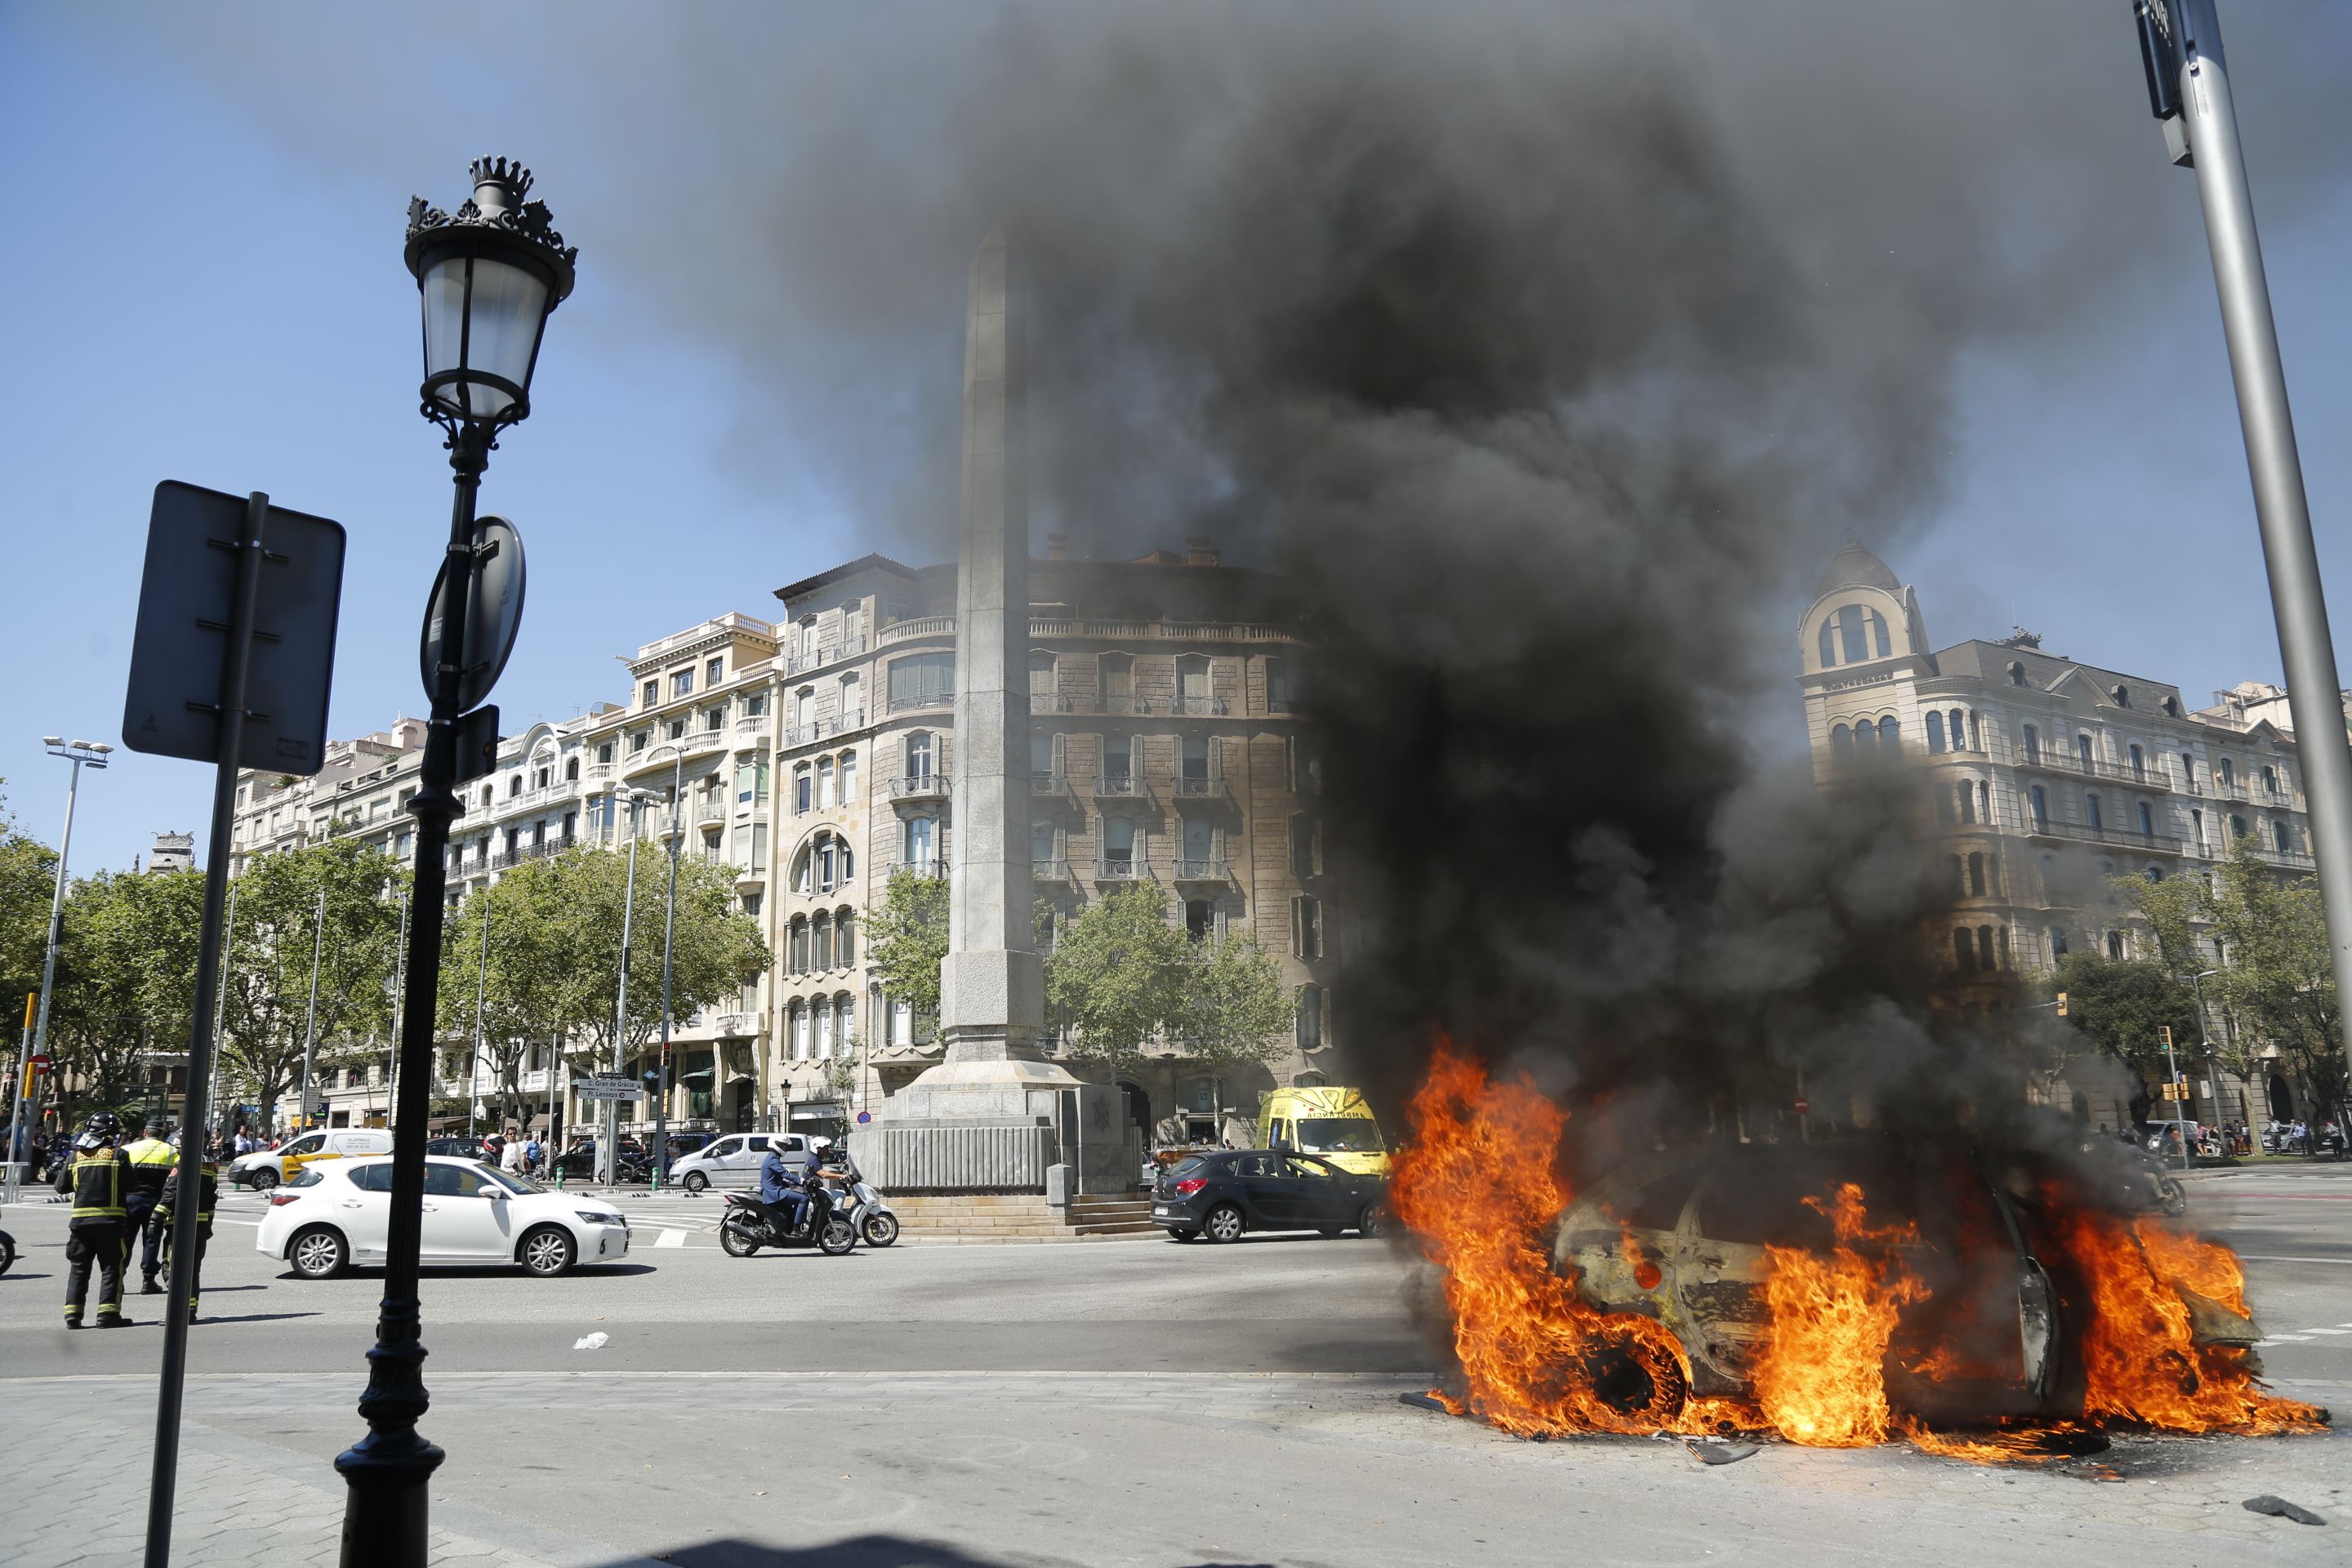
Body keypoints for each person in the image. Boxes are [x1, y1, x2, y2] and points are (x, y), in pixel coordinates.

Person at [55, 1114, 133, 1329]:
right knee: (111, 1268)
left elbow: (61, 1187)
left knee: (79, 1269)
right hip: (111, 1223)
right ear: (109, 1134)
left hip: (80, 1224)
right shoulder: (119, 1156)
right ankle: (107, 1315)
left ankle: (73, 1315)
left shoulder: (74, 1157)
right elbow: (131, 1183)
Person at [154, 1138, 221, 1321]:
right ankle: (190, 1310)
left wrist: (156, 1218)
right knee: (193, 1270)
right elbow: (211, 1204)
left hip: (179, 1228)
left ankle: (178, 1311)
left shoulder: (181, 1167)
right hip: (201, 1227)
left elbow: (170, 1193)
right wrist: (208, 1227)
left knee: (172, 1269)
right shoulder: (209, 1170)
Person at [120, 1117, 176, 1294]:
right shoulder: (171, 1151)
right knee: (152, 1240)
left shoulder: (126, 1149)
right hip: (155, 1203)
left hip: (129, 1201)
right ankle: (148, 1280)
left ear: (144, 1132)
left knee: (125, 1241)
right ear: (162, 1133)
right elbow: (175, 1177)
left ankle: (117, 1279)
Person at [758, 1141, 807, 1236]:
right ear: (776, 1145)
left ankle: (791, 1227)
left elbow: (775, 1178)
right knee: (804, 1199)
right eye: (783, 1146)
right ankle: (796, 1230)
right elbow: (785, 1174)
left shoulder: (771, 1157)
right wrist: (801, 1180)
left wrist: (792, 1184)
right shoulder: (772, 1159)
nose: (785, 1148)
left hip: (773, 1190)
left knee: (795, 1203)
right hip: (774, 1192)